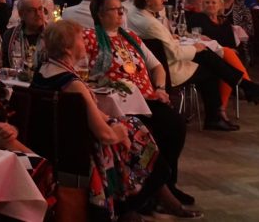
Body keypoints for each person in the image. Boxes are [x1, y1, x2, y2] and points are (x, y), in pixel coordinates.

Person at [33, 20, 188, 222]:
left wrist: (114, 122)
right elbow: (104, 134)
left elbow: (94, 115)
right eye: (80, 38)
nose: (85, 42)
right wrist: (119, 133)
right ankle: (130, 203)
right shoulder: (73, 85)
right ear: (67, 48)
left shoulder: (43, 72)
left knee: (131, 125)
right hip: (80, 149)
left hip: (58, 143)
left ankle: (142, 202)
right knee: (136, 131)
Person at [83, 0, 196, 210]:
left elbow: (157, 67)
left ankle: (167, 183)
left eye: (121, 9)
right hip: (118, 103)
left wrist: (160, 88)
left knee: (175, 125)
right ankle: (150, 190)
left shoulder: (131, 37)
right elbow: (83, 70)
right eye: (115, 10)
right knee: (147, 132)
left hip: (146, 98)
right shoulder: (89, 37)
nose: (121, 14)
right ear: (100, 13)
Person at [126, 0, 259, 131]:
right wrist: (195, 48)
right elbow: (176, 54)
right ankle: (237, 96)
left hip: (158, 64)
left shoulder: (136, 15)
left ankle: (244, 90)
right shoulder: (151, 23)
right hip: (167, 70)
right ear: (147, 0)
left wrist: (175, 39)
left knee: (207, 56)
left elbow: (163, 43)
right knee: (210, 65)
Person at [1, 0, 47, 70]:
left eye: (40, 9)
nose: (38, 14)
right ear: (21, 14)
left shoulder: (53, 34)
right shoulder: (10, 35)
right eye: (32, 10)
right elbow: (5, 67)